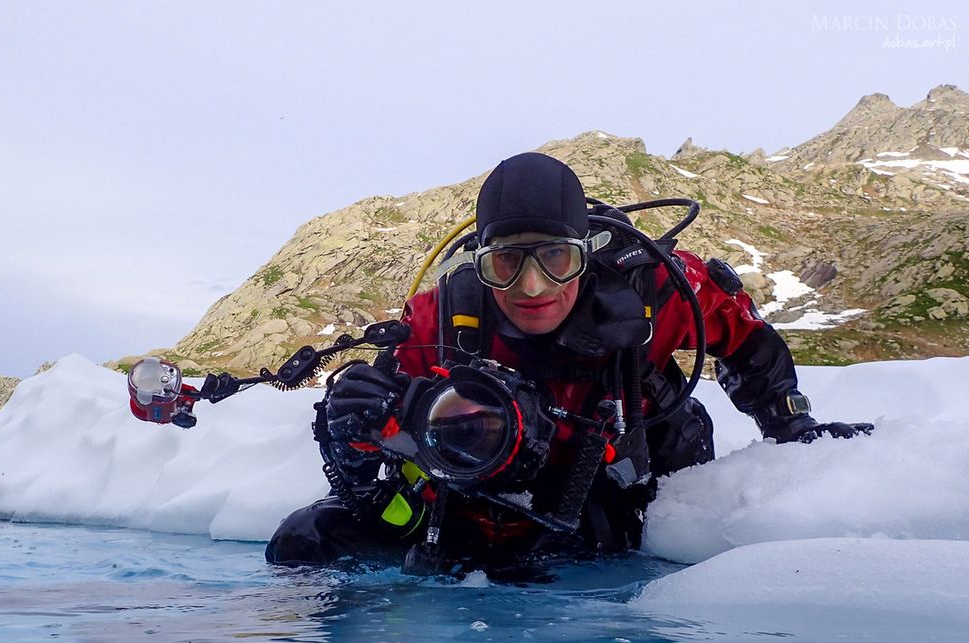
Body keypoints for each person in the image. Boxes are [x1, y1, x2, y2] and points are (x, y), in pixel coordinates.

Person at [265, 152, 871, 569]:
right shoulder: (440, 320)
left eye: (556, 258)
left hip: (620, 490)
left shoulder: (655, 291)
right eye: (507, 262)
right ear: (480, 261)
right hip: (483, 502)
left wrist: (790, 424)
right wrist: (355, 435)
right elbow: (389, 433)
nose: (532, 287)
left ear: (587, 250)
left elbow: (746, 337)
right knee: (303, 540)